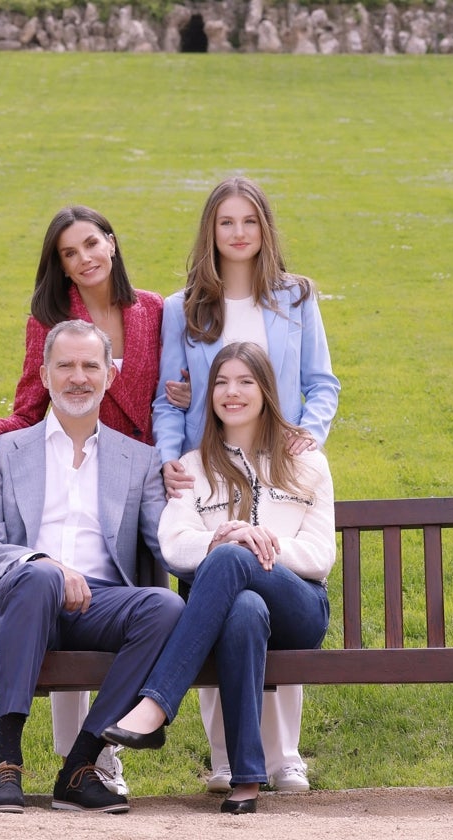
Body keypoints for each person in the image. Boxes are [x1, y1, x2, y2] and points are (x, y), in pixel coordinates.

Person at [0, 206, 188, 794]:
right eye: (66, 367)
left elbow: (165, 537)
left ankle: (81, 763)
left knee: (164, 608)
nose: (79, 377)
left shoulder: (136, 462)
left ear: (111, 374)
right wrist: (41, 564)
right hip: (12, 604)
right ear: (46, 370)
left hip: (96, 605)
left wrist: (220, 536)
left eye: (92, 366)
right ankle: (5, 762)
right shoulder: (7, 452)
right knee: (37, 581)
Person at [152, 176, 340, 793]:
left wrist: (303, 435)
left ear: (265, 230)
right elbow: (169, 396)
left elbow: (321, 382)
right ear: (210, 231)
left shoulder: (295, 297)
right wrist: (172, 461)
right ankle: (233, 759)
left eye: (249, 222)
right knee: (236, 595)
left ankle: (278, 754)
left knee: (250, 569)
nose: (237, 234)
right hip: (211, 471)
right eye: (225, 222)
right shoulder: (184, 309)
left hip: (280, 467)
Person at [104, 341, 336, 814]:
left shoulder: (307, 462)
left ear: (266, 390)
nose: (232, 392)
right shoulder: (193, 468)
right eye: (222, 382)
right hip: (229, 613)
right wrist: (217, 543)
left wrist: (257, 542)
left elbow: (318, 556)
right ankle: (246, 779)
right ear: (209, 395)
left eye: (245, 381)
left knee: (235, 555)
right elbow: (172, 543)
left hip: (300, 606)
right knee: (243, 608)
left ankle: (156, 705)